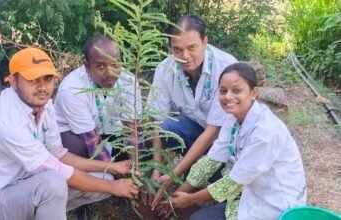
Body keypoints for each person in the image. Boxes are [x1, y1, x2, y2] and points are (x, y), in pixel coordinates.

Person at [0, 47, 139, 220]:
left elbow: (58, 155)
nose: (42, 87)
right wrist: (114, 186)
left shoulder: (45, 106)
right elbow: (57, 170)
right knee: (53, 184)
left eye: (48, 79)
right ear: (13, 82)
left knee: (102, 177)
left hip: (25, 185)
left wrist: (111, 167)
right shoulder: (6, 122)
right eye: (33, 80)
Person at [164, 62, 306, 220]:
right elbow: (211, 161)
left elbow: (233, 183)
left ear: (254, 93)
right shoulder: (233, 119)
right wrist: (178, 195)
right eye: (223, 91)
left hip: (273, 203)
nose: (228, 97)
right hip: (250, 189)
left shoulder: (265, 132)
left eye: (237, 90)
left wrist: (189, 199)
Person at [147, 15, 237, 207]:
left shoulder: (226, 68)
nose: (184, 56)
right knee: (166, 126)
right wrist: (156, 170)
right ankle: (192, 170)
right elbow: (156, 122)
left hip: (222, 138)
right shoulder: (165, 69)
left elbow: (214, 131)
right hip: (193, 130)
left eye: (191, 48)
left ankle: (197, 174)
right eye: (177, 49)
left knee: (226, 183)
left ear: (205, 42)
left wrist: (174, 175)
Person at [55, 35, 142, 162]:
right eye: (101, 66)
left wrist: (136, 170)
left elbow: (132, 130)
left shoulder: (129, 82)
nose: (110, 73)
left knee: (144, 141)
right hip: (78, 134)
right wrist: (116, 175)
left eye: (115, 64)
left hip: (109, 131)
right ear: (86, 65)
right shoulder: (72, 90)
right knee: (78, 147)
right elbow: (92, 142)